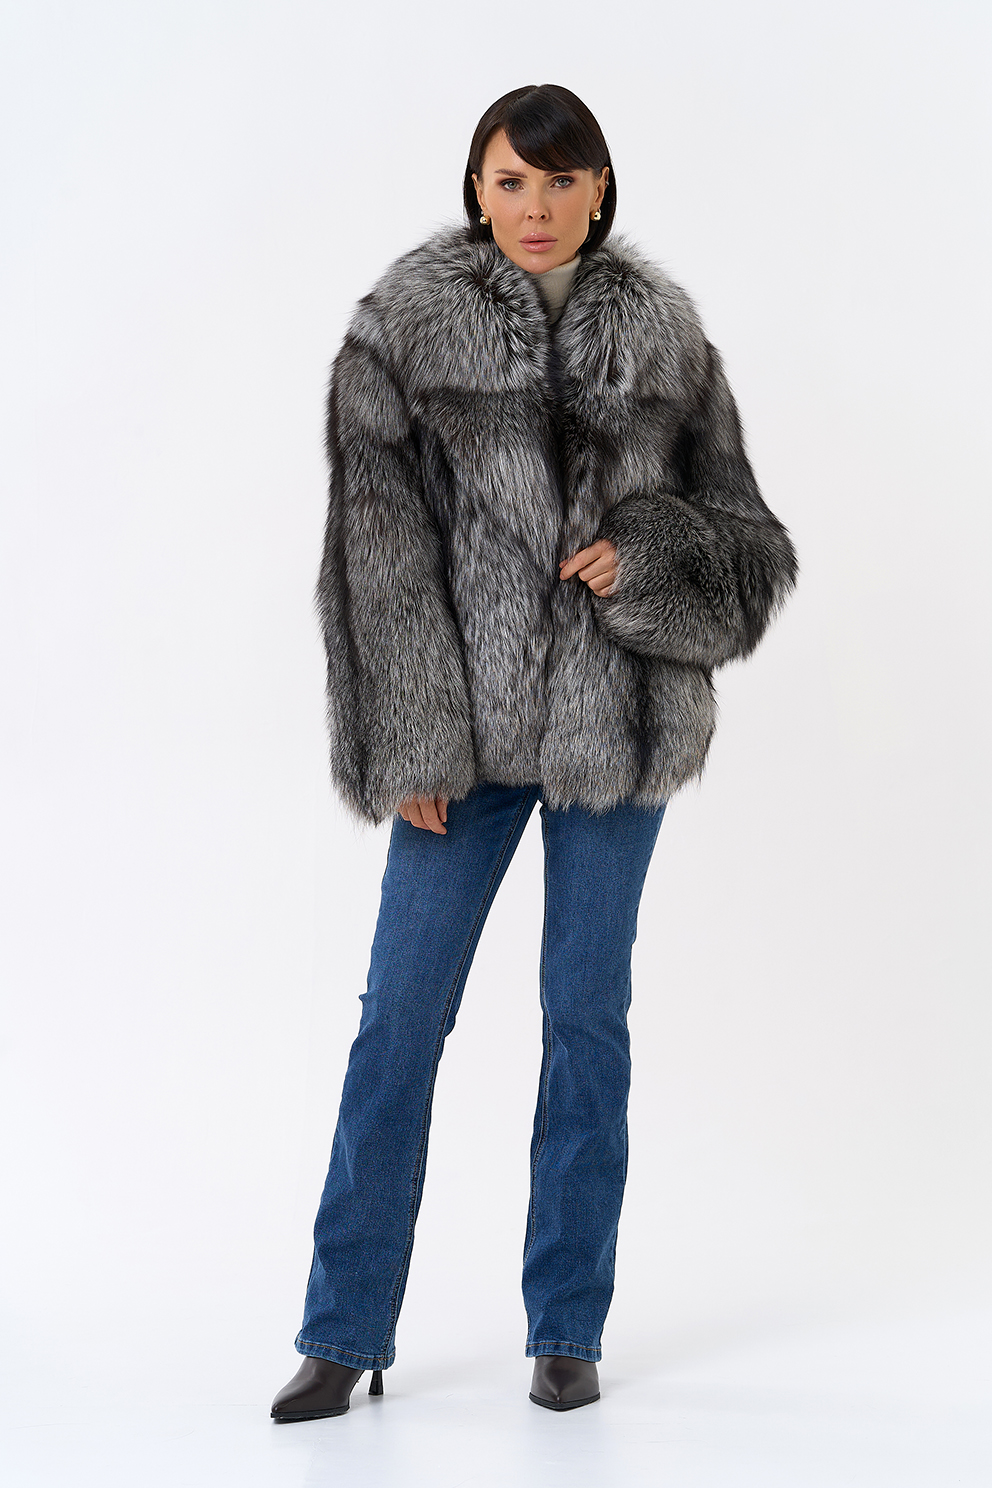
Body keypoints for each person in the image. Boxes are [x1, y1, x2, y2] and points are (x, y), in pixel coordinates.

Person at [270, 83, 798, 1423]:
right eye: (512, 181)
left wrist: (651, 554)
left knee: (584, 1021)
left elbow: (752, 551)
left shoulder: (670, 341)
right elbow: (373, 560)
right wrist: (411, 742)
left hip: (616, 730)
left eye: (562, 181)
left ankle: (568, 1326)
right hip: (458, 745)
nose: (537, 206)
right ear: (478, 187)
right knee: (399, 1022)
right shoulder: (401, 335)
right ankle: (343, 1329)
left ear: (600, 188)